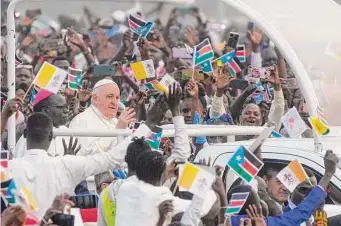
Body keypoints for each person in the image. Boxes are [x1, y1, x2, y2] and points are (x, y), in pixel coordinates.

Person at [8, 111, 154, 219]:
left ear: (25, 133)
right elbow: (112, 158)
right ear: (52, 136)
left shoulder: (6, 169)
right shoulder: (67, 164)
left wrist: (4, 116)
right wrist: (150, 123)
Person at [97, 84, 191, 226]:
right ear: (148, 160)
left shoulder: (108, 192)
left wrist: (150, 121)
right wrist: (175, 111)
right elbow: (182, 154)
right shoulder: (159, 192)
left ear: (126, 159)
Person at [229, 150, 339, 226]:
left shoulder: (221, 220)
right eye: (279, 182)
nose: (285, 188)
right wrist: (328, 174)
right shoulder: (264, 221)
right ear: (255, 210)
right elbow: (300, 213)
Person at [115, 151, 216, 226]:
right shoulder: (163, 198)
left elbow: (147, 188)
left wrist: (166, 175)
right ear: (161, 173)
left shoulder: (123, 188)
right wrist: (204, 179)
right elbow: (200, 209)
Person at [69, 78, 135, 156]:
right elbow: (87, 155)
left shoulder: (116, 121)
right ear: (95, 98)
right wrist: (118, 130)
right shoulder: (81, 120)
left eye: (117, 98)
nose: (115, 102)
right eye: (110, 96)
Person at [14, 89, 69, 158]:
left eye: (66, 106)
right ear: (45, 110)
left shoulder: (67, 132)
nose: (66, 110)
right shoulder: (31, 136)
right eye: (61, 107)